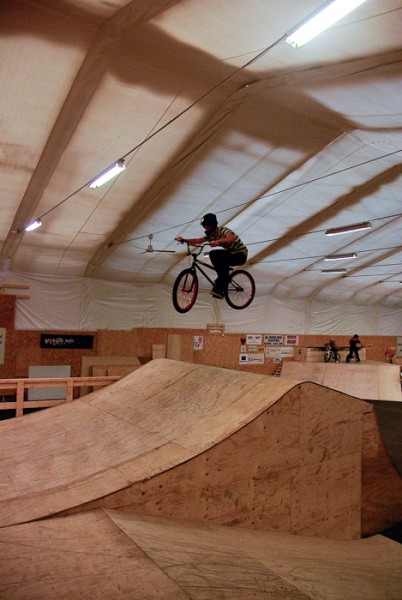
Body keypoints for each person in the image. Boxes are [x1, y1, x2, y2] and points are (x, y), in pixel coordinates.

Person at [175, 213, 248, 299]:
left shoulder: (223, 231)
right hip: (231, 254)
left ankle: (222, 284)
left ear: (213, 225)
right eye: (204, 227)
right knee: (213, 255)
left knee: (217, 257)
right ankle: (222, 279)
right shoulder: (212, 236)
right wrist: (184, 240)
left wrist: (218, 241)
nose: (205, 229)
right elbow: (196, 240)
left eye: (207, 227)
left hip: (241, 255)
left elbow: (232, 238)